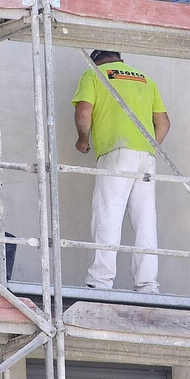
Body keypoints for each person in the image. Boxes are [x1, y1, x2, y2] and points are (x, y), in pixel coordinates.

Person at [73, 50, 170, 293]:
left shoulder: (93, 73)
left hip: (116, 152)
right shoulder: (145, 79)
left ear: (96, 61)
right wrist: (148, 147)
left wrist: (83, 139)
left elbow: (84, 112)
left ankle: (100, 282)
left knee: (107, 216)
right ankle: (148, 285)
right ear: (119, 60)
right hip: (145, 157)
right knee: (145, 222)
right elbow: (164, 123)